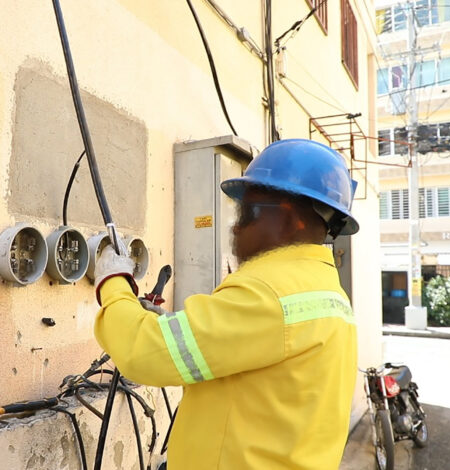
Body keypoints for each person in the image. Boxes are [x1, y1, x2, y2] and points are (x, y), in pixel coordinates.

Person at [93, 139, 360, 469]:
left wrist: (112, 282)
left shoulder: (269, 291)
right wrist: (176, 326)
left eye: (248, 213)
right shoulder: (325, 290)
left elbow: (143, 352)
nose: (235, 226)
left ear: (292, 221)